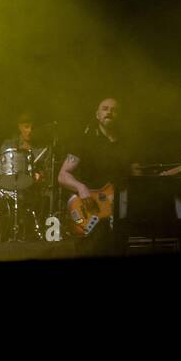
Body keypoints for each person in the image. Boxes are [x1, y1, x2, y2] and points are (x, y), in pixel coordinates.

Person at [58, 97, 139, 253]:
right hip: (92, 209)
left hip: (120, 211)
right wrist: (81, 188)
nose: (109, 112)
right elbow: (63, 175)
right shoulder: (85, 141)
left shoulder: (128, 144)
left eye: (114, 110)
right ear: (97, 115)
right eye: (105, 108)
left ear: (119, 116)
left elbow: (136, 177)